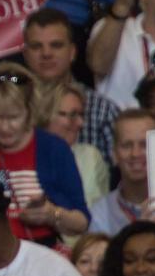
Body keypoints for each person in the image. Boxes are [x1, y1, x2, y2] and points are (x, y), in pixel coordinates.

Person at [0, 64, 89, 245]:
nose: (5, 127)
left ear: (30, 111)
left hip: (41, 252)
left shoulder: (55, 149)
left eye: (14, 117)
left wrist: (52, 214)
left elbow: (82, 222)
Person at [23, 8, 118, 165]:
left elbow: (120, 178)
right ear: (25, 54)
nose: (46, 53)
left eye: (56, 45)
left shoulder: (102, 110)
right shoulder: (13, 106)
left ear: (73, 52)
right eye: (36, 46)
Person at [87, 109, 155, 237]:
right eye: (127, 145)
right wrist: (138, 232)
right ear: (114, 154)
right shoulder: (99, 212)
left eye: (144, 144)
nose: (135, 153)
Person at [42, 82, 108, 211]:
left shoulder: (90, 157)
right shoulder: (25, 156)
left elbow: (101, 214)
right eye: (72, 115)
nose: (80, 123)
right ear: (45, 116)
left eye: (81, 115)